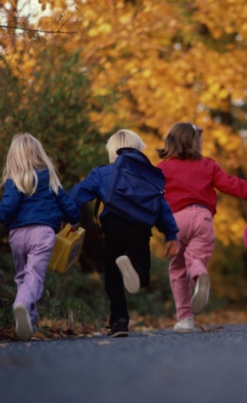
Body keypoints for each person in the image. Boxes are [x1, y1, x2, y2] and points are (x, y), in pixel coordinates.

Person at [156, 122, 247, 333]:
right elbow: (232, 184)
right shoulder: (208, 165)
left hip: (175, 221)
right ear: (195, 143)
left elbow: (148, 194)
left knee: (177, 268)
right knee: (195, 260)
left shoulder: (162, 168)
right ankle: (199, 273)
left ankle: (184, 319)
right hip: (203, 219)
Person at [68, 129, 179, 338]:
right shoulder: (147, 175)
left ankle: (119, 321)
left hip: (113, 225)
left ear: (112, 151)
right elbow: (161, 207)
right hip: (140, 227)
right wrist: (171, 234)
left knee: (112, 273)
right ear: (138, 150)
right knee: (142, 275)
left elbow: (74, 197)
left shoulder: (102, 172)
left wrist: (69, 218)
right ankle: (137, 273)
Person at [0, 133, 81, 341]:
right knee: (34, 276)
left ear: (14, 156)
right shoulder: (49, 176)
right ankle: (22, 305)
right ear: (38, 153)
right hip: (42, 233)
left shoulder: (14, 179)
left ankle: (29, 322)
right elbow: (66, 203)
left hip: (17, 235)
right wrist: (75, 220)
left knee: (22, 277)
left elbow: (8, 204)